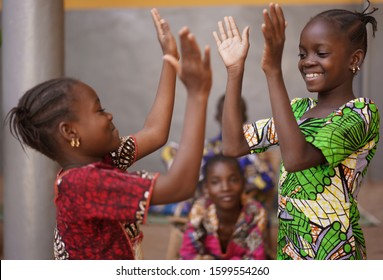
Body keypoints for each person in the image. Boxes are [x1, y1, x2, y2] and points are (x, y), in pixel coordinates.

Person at [6, 8, 212, 260]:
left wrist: (169, 58)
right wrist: (197, 96)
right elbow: (179, 187)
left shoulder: (102, 161)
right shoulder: (85, 184)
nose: (109, 115)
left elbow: (155, 132)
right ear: (70, 132)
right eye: (99, 110)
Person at [213, 2, 380, 260]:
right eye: (302, 54)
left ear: (354, 59)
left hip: (335, 256)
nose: (308, 62)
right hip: (291, 254)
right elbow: (233, 146)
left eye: (321, 53)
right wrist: (235, 71)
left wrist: (273, 72)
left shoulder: (360, 114)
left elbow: (296, 159)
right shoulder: (298, 111)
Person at [179, 154, 267, 260]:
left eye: (233, 180)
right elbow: (188, 253)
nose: (225, 188)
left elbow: (256, 258)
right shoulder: (200, 210)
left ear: (243, 183)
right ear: (206, 188)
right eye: (215, 182)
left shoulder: (254, 212)